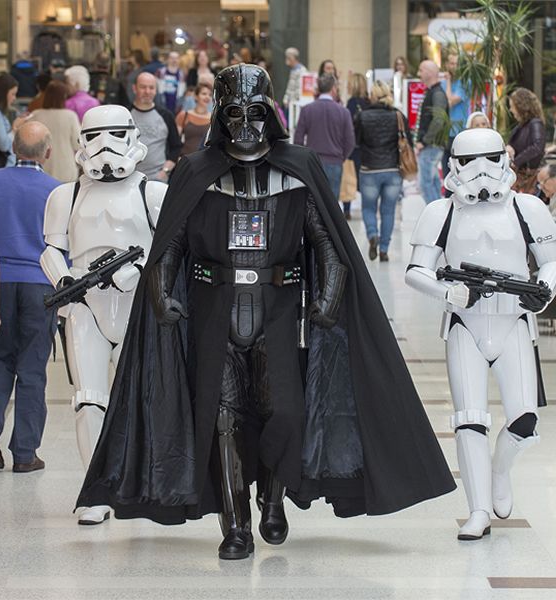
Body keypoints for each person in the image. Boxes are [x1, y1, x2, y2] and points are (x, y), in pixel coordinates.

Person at [76, 64, 455, 560]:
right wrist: (161, 291)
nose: (247, 125)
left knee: (286, 410)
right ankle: (236, 527)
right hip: (215, 313)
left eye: (256, 112)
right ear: (220, 115)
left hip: (279, 314)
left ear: (271, 112)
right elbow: (171, 244)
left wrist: (329, 295)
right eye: (234, 113)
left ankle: (273, 500)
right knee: (222, 418)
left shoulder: (298, 167)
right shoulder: (195, 171)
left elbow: (327, 242)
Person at [406, 128, 556, 540]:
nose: (481, 171)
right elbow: (416, 271)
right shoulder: (441, 212)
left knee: (525, 418)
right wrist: (449, 291)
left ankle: (499, 471)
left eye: (490, 158)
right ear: (454, 163)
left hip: (513, 321)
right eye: (470, 161)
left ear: (503, 157)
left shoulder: (527, 208)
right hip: (464, 324)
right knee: (469, 419)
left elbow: (550, 260)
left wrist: (543, 292)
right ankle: (478, 510)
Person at [41, 105, 166, 524]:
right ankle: (96, 489)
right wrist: (62, 280)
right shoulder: (66, 195)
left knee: (143, 401)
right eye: (95, 136)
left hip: (137, 306)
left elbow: (172, 250)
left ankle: (140, 483)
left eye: (115, 134)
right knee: (88, 401)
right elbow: (51, 249)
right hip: (85, 309)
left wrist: (137, 271)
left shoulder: (152, 192)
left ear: (131, 135)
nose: (104, 147)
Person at [0, 122, 60, 474]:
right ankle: (25, 452)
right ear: (47, 152)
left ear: (13, 147)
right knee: (32, 368)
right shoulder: (57, 191)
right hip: (40, 284)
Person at [354, 80, 411, 262]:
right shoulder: (398, 115)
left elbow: (357, 141)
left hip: (369, 169)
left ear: (375, 95)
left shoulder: (362, 116)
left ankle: (372, 235)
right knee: (388, 211)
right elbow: (406, 139)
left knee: (368, 208)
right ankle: (384, 249)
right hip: (393, 169)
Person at [293, 73, 355, 200]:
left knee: (313, 202)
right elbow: (350, 141)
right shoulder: (343, 112)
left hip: (313, 163)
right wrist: (341, 157)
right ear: (333, 89)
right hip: (335, 162)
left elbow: (298, 140)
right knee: (332, 204)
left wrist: (305, 159)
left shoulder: (307, 110)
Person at [130, 71, 182, 182]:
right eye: (143, 87)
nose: (147, 91)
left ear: (156, 90)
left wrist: (165, 171)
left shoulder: (166, 116)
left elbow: (176, 147)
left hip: (158, 179)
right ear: (134, 89)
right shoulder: (125, 115)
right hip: (129, 179)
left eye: (151, 88)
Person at [28, 80, 81, 182]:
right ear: (63, 97)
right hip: (66, 169)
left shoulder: (36, 115)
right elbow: (77, 144)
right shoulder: (70, 116)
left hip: (41, 168)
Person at [415, 60, 449, 204]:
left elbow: (439, 120)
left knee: (426, 183)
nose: (419, 74)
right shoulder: (434, 92)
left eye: (421, 70)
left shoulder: (437, 94)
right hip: (432, 145)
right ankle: (438, 213)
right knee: (432, 181)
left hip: (432, 145)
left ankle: (435, 215)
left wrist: (424, 141)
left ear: (429, 72)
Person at [507, 88, 546, 195]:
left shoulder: (534, 123)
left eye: (512, 106)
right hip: (523, 177)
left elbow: (537, 146)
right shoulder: (521, 126)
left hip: (529, 178)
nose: (511, 110)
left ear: (521, 106)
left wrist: (516, 162)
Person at [344, 72, 370, 220]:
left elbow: (348, 126)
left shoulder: (352, 103)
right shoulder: (368, 102)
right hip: (366, 146)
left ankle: (347, 209)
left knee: (349, 177)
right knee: (363, 180)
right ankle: (367, 208)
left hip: (354, 146)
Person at [442, 52, 470, 182]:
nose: (454, 66)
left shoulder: (465, 82)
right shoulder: (443, 83)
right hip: (445, 132)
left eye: (456, 63)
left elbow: (450, 102)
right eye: (451, 63)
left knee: (459, 172)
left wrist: (447, 82)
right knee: (446, 172)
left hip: (459, 130)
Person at [175, 82, 213, 157]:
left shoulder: (213, 119)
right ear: (196, 96)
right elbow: (175, 142)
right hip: (184, 159)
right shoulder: (184, 115)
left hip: (204, 161)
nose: (207, 97)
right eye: (204, 94)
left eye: (210, 95)